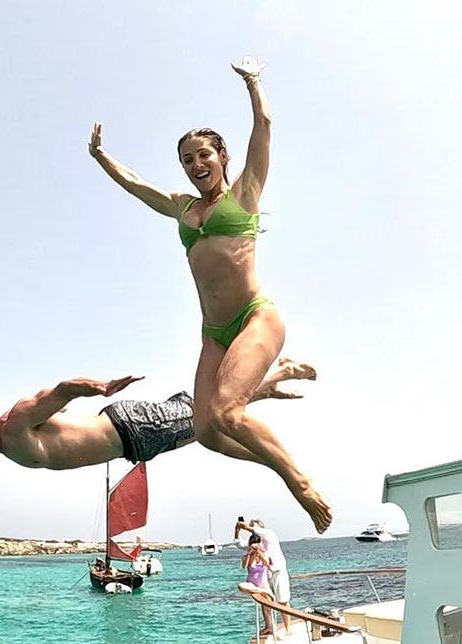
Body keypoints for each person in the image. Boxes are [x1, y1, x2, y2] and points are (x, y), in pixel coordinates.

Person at [88, 56, 332, 533]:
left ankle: (299, 482)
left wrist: (253, 82)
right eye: (187, 160)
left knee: (226, 412)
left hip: (254, 317)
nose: (196, 164)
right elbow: (138, 187)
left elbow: (263, 126)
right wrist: (102, 157)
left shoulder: (244, 194)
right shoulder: (183, 209)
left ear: (222, 157)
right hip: (214, 333)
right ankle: (276, 425)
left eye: (204, 154)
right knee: (206, 432)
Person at [0, 358, 315, 470]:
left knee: (214, 422)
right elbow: (60, 410)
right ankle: (265, 389)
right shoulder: (9, 445)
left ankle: (278, 371)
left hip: (130, 427)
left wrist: (99, 386)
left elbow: (61, 390)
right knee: (210, 423)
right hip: (132, 442)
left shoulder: (13, 424)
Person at [235, 517, 292, 635]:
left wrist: (246, 526)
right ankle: (269, 627)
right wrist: (237, 529)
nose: (253, 530)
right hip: (267, 575)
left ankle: (288, 628)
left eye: (255, 527)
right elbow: (239, 543)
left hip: (277, 571)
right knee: (265, 604)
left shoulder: (270, 536)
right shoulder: (256, 544)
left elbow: (266, 560)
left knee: (282, 601)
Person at [238, 534, 276, 636]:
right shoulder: (247, 556)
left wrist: (259, 551)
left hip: (263, 583)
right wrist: (251, 553)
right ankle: (269, 626)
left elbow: (266, 562)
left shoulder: (265, 553)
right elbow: (245, 566)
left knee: (266, 606)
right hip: (252, 584)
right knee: (240, 586)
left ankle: (269, 627)